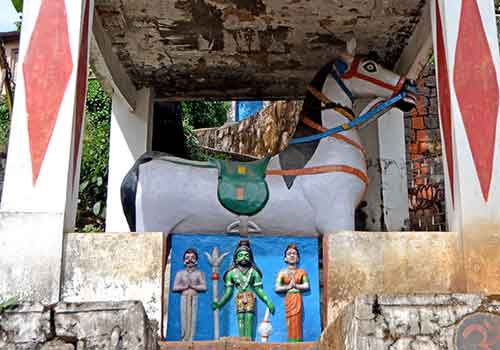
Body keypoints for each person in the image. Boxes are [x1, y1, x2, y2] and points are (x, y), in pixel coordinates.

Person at [212, 240, 275, 339]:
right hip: (240, 297)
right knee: (240, 318)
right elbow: (228, 292)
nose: (244, 257)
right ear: (236, 259)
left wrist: (268, 301)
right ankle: (242, 341)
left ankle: (248, 340)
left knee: (249, 318)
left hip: (250, 297)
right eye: (241, 255)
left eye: (246, 255)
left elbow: (259, 290)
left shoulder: (254, 272)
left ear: (250, 258)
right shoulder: (231, 273)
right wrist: (220, 304)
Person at [275, 244, 309, 342]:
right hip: (289, 298)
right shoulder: (282, 273)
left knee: (297, 319)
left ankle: (297, 340)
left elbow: (306, 286)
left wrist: (296, 286)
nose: (292, 255)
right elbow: (277, 287)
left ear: (298, 258)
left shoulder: (302, 272)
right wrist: (288, 287)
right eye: (289, 254)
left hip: (297, 297)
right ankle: (290, 340)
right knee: (290, 319)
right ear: (285, 258)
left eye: (294, 253)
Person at [172, 248, 207, 341]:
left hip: (194, 297)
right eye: (187, 258)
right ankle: (184, 337)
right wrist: (184, 286)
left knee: (192, 319)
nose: (190, 260)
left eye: (192, 257)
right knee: (184, 318)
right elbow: (175, 287)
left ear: (196, 261)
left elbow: (204, 287)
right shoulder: (180, 273)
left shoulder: (199, 273)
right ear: (184, 261)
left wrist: (193, 286)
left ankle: (191, 338)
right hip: (184, 297)